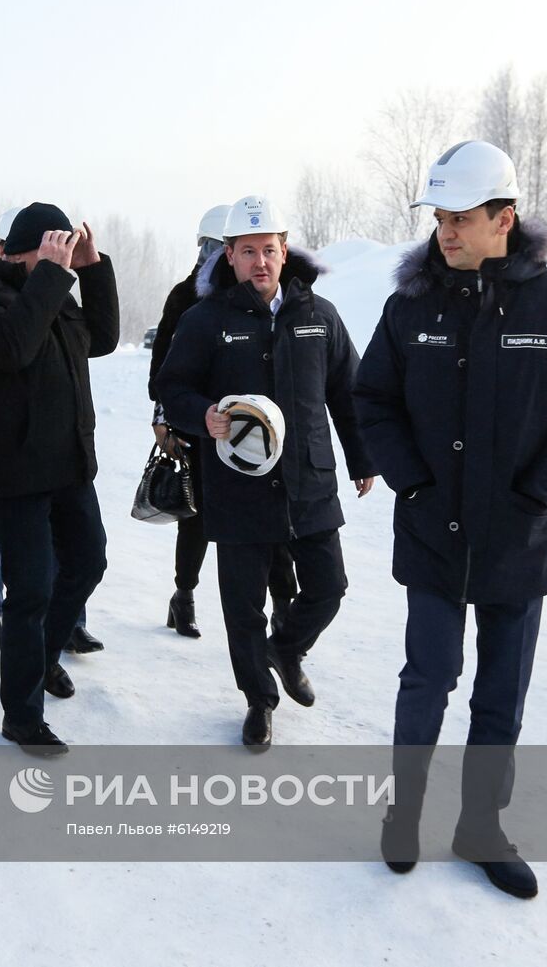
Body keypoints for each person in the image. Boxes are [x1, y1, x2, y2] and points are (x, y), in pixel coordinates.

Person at [354, 140, 547, 898]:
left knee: (501, 692)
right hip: (433, 529)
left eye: (462, 218)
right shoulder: (410, 307)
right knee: (429, 675)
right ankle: (402, 812)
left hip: (518, 536)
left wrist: (538, 490)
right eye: (440, 218)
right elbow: (372, 399)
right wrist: (411, 482)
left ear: (505, 218)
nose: (445, 232)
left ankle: (480, 825)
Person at [156, 196, 375, 751]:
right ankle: (259, 700)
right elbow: (172, 387)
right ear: (228, 256)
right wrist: (200, 416)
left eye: (269, 250)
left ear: (284, 250)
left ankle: (287, 649)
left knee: (329, 587)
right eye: (248, 251)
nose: (260, 262)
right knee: (243, 607)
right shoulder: (205, 320)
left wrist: (362, 457)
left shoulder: (317, 315)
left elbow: (347, 391)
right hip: (237, 485)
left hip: (310, 481)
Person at [0, 202, 118, 753]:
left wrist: (92, 267)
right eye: (53, 247)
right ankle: (21, 713)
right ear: (20, 253)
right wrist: (52, 278)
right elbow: (11, 347)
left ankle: (39, 661)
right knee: (31, 591)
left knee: (88, 561)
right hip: (13, 474)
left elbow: (103, 338)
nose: (61, 256)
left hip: (66, 465)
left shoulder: (52, 294)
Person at [148, 204, 297, 639]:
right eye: (209, 246)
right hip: (202, 424)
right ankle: (185, 594)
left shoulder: (266, 290)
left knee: (272, 518)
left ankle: (284, 603)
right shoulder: (185, 296)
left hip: (260, 428)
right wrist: (165, 419)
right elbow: (164, 369)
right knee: (195, 513)